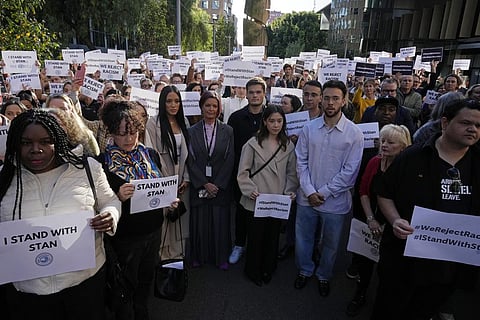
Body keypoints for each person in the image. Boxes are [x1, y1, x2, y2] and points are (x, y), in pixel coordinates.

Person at [0, 109, 120, 319]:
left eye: (45, 141)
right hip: (29, 294)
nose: (36, 149)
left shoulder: (87, 169)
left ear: (59, 140)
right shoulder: (5, 179)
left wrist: (110, 215)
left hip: (84, 286)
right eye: (26, 142)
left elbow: (110, 200)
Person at [370, 98, 480, 319]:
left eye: (478, 126)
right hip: (402, 262)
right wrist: (394, 220)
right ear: (445, 123)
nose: (472, 129)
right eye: (466, 122)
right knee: (389, 309)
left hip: (448, 267)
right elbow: (383, 193)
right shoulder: (412, 157)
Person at [99, 99, 179, 320]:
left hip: (153, 232)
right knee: (124, 283)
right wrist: (118, 197)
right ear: (112, 133)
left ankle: (141, 311)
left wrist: (170, 200)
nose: (128, 138)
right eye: (122, 133)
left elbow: (159, 187)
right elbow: (97, 204)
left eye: (133, 132)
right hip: (126, 237)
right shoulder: (102, 163)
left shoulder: (149, 154)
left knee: (145, 278)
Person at [294, 80, 364, 297]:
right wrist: (309, 191)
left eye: (335, 98)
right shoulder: (309, 128)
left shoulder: (354, 133)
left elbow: (350, 172)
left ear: (344, 101)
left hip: (334, 202)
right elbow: (300, 162)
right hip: (307, 198)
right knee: (303, 238)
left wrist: (322, 193)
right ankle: (305, 269)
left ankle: (323, 275)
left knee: (331, 244)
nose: (330, 102)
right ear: (321, 100)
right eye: (326, 98)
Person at [346, 124, 411, 316]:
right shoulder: (374, 161)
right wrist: (370, 219)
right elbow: (363, 191)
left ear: (403, 147)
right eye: (382, 140)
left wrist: (390, 222)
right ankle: (360, 294)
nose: (384, 145)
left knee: (388, 270)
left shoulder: (407, 169)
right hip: (369, 219)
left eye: (391, 142)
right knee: (365, 262)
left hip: (393, 225)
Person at [237, 105, 298, 286]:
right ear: (265, 121)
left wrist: (289, 192)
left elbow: (292, 174)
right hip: (257, 200)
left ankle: (268, 268)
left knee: (272, 238)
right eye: (272, 121)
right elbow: (243, 172)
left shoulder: (288, 146)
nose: (276, 125)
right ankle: (252, 270)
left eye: (279, 121)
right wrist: (249, 189)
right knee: (255, 238)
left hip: (277, 202)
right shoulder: (252, 143)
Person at [187, 91, 234, 270]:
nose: (211, 109)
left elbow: (230, 158)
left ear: (219, 108)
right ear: (201, 107)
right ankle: (198, 256)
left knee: (220, 222)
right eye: (208, 105)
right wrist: (203, 183)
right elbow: (189, 160)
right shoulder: (191, 131)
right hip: (200, 183)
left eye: (215, 106)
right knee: (199, 223)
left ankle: (220, 257)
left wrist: (218, 184)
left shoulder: (228, 130)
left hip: (219, 185)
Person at [145, 85, 190, 260]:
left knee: (179, 216)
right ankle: (163, 256)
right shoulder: (152, 123)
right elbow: (151, 154)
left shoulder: (184, 122)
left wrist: (186, 178)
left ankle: (178, 255)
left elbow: (189, 154)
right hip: (162, 178)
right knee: (164, 217)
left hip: (181, 180)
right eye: (169, 101)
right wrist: (163, 181)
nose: (173, 105)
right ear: (162, 102)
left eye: (177, 101)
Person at [227, 77, 267, 265]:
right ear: (246, 93)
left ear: (264, 94)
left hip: (266, 176)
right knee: (242, 211)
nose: (254, 95)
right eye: (251, 92)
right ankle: (239, 244)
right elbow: (231, 148)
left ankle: (258, 246)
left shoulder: (272, 116)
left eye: (258, 92)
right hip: (241, 174)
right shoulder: (235, 117)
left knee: (262, 213)